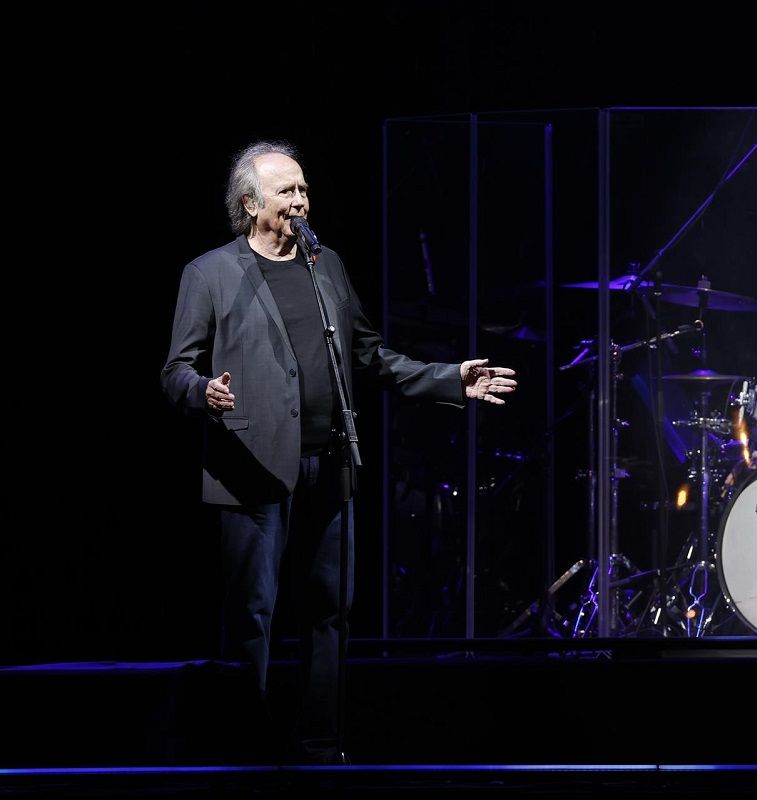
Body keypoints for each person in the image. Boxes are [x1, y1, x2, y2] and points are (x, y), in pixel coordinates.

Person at [160, 140, 516, 764]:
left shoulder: (326, 266)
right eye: (286, 192)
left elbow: (369, 356)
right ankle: (247, 748)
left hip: (332, 461)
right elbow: (175, 370)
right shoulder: (210, 273)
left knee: (331, 611)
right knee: (253, 613)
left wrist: (447, 378)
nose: (301, 200)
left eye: (303, 188)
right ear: (250, 204)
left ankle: (323, 745)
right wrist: (201, 391)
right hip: (251, 463)